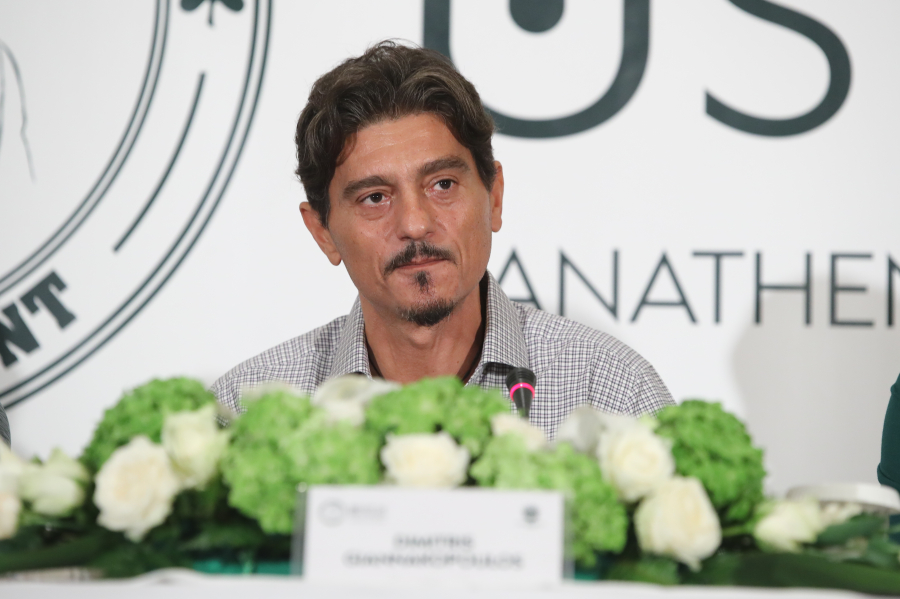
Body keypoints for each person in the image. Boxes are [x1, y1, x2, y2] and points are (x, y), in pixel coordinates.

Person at [211, 41, 674, 436]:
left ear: (494, 197)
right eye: (375, 197)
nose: (415, 224)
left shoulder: (611, 395)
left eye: (443, 185)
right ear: (322, 232)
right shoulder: (246, 415)